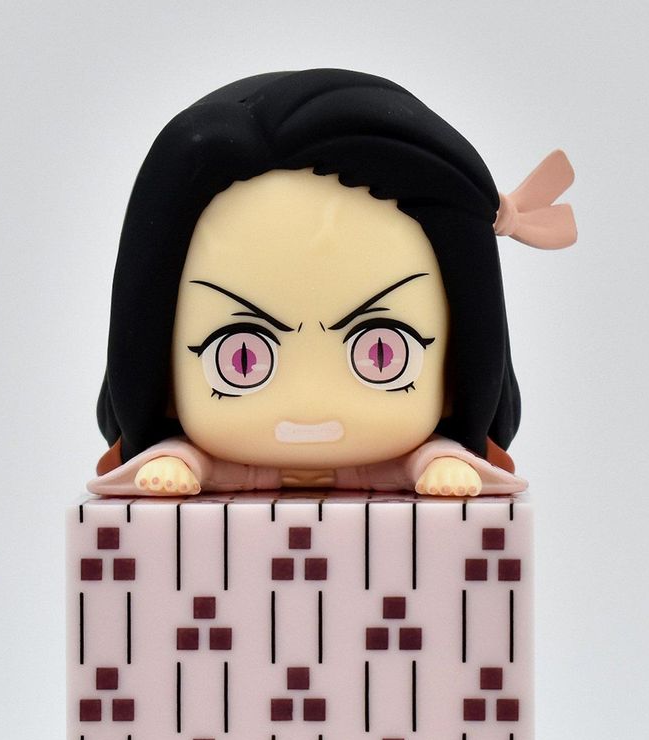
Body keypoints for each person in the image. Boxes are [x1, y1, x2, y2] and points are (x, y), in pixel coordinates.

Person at [89, 69, 575, 498]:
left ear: (456, 364)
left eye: (383, 353)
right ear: (163, 368)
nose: (309, 405)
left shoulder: (409, 457)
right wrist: (169, 460)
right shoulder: (200, 456)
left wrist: (446, 460)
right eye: (241, 358)